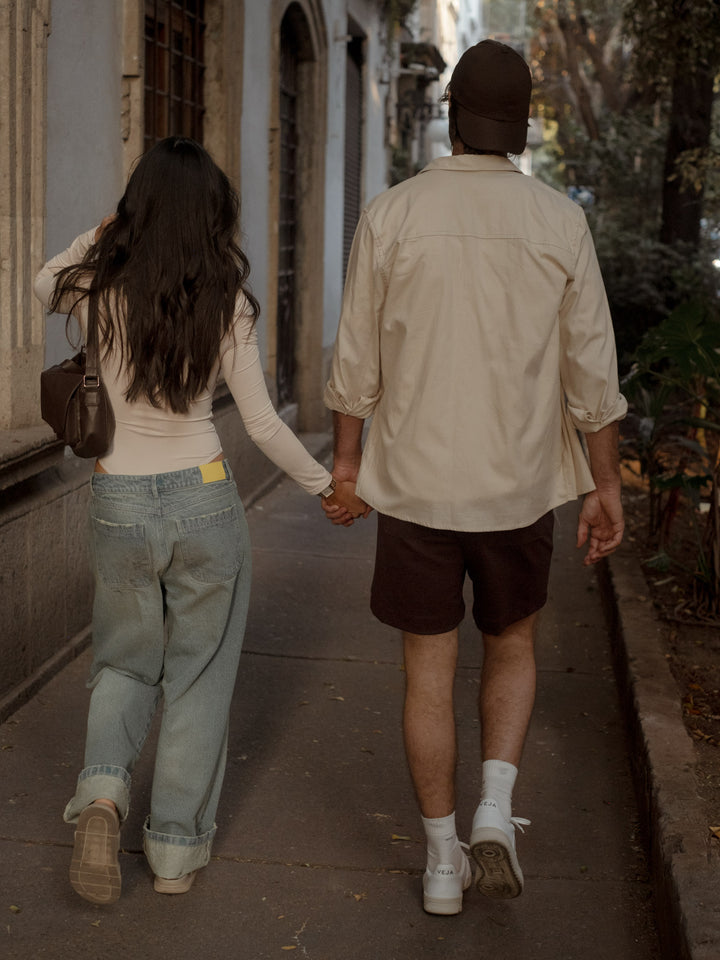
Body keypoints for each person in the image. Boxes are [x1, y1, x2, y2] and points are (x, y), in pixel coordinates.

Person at [322, 40, 626, 915]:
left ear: (452, 117)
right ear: (523, 125)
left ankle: (442, 863)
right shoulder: (559, 222)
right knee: (514, 645)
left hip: (415, 489)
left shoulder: (391, 214)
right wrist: (605, 487)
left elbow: (355, 366)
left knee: (427, 671)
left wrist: (348, 466)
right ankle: (495, 810)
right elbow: (592, 377)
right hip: (517, 489)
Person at [34, 136, 365, 905]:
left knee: (123, 663)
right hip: (206, 497)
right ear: (213, 216)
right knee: (199, 678)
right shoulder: (228, 301)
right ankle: (175, 855)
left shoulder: (97, 287)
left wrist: (104, 229)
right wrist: (330, 487)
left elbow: (41, 283)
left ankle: (105, 797)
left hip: (118, 497)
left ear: (138, 211)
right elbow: (264, 422)